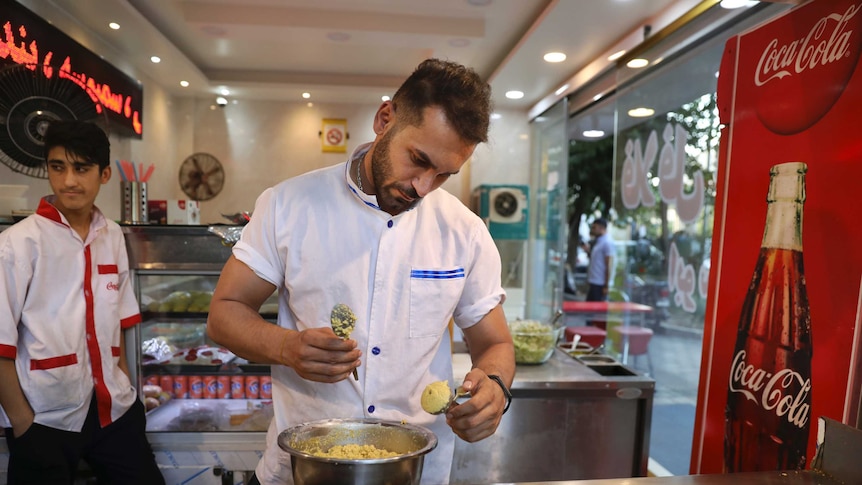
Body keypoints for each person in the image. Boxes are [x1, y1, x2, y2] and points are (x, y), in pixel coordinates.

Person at [207, 58, 515, 485]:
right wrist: (287, 347)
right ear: (385, 118)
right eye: (418, 159)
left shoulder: (465, 232)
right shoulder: (288, 204)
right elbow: (225, 313)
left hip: (415, 471)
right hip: (301, 469)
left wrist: (497, 387)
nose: (423, 187)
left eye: (444, 174)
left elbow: (495, 342)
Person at [0, 121, 164, 485]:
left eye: (81, 168)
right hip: (44, 415)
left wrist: (125, 384)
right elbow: (1, 344)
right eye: (58, 167)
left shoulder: (113, 235)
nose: (69, 180)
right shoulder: (17, 244)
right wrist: (22, 422)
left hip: (112, 409)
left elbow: (120, 321)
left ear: (104, 174)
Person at [583, 217, 615, 303]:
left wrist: (606, 286)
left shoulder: (607, 242)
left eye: (594, 228)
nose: (592, 230)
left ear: (601, 228)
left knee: (596, 313)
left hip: (600, 284)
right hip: (594, 282)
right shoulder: (599, 242)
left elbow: (609, 265)